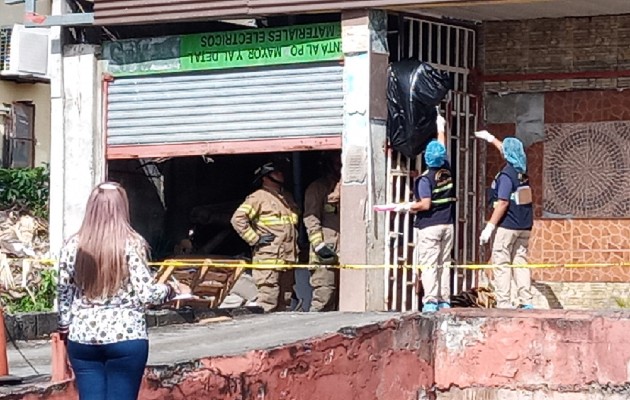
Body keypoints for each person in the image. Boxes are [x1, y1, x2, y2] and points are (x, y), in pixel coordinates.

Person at [56, 182, 189, 400]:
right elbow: (148, 294)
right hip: (126, 335)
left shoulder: (73, 245)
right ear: (122, 208)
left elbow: (63, 291)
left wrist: (65, 326)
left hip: (83, 337)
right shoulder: (132, 244)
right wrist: (172, 289)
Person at [396, 113, 456, 313]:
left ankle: (430, 300)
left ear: (427, 158)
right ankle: (444, 300)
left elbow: (426, 204)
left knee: (429, 264)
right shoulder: (446, 170)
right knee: (444, 263)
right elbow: (442, 148)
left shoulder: (425, 180)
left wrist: (408, 206)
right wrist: (441, 127)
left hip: (430, 226)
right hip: (448, 225)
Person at [474, 130, 534, 310]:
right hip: (524, 225)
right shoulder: (521, 170)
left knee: (501, 263)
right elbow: (506, 149)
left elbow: (502, 203)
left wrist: (489, 227)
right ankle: (526, 300)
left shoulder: (507, 175)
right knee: (520, 262)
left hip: (508, 225)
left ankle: (504, 302)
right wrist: (491, 138)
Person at [231, 162, 300, 313]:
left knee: (285, 298)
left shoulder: (286, 197)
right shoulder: (258, 197)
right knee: (268, 298)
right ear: (265, 177)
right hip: (268, 257)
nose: (281, 174)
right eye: (276, 172)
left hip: (287, 257)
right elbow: (237, 219)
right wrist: (254, 239)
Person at [303, 151, 342, 312]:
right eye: (336, 163)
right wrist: (319, 245)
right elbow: (311, 218)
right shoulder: (317, 188)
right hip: (324, 255)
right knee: (324, 297)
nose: (339, 166)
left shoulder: (343, 187)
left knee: (341, 302)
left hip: (343, 254)